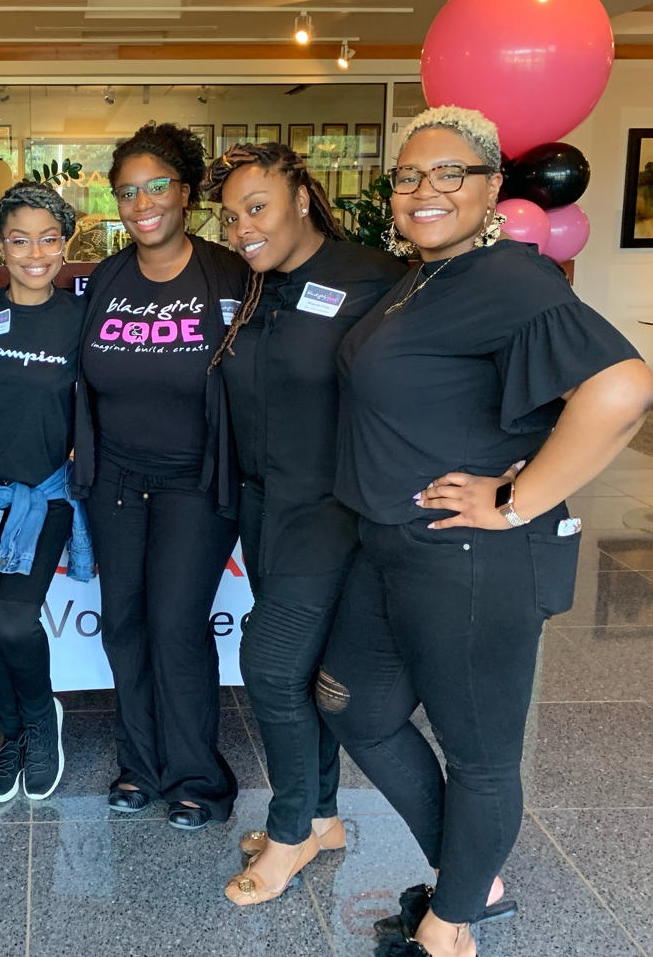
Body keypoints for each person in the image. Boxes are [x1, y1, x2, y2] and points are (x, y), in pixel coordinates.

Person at [317, 106, 653, 957]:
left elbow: (622, 386)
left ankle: (451, 924)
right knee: (353, 707)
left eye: (447, 174)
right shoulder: (420, 277)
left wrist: (516, 500)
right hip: (387, 541)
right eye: (407, 175)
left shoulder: (512, 279)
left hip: (467, 555)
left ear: (491, 186)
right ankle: (471, 875)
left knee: (477, 755)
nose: (423, 190)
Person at [202, 143, 404, 905]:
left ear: (299, 196)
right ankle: (322, 815)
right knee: (299, 667)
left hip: (328, 508)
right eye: (229, 215)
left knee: (271, 667)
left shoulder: (372, 277)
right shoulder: (253, 284)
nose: (242, 226)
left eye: (256, 207)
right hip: (261, 502)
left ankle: (288, 831)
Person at [71, 122, 247, 830]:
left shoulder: (228, 274)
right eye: (125, 192)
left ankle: (197, 776)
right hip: (115, 476)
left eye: (155, 186)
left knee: (175, 624)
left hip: (195, 482)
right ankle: (138, 767)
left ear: (186, 192)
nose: (140, 203)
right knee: (124, 624)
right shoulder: (108, 277)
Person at [0, 183, 92, 804]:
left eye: (50, 238)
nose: (36, 252)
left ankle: (39, 722)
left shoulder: (83, 319)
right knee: (1, 620)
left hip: (47, 496)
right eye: (20, 239)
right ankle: (12, 735)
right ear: (0, 244)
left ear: (67, 243)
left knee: (12, 617)